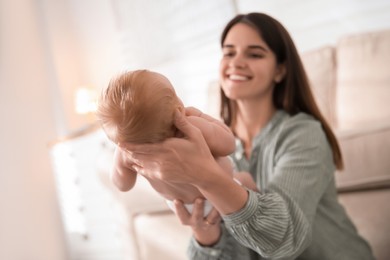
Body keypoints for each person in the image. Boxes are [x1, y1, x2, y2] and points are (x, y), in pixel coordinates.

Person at [112, 13, 375, 259]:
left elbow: (285, 239)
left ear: (280, 70)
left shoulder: (303, 134)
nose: (236, 62)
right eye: (229, 52)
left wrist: (207, 177)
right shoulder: (203, 140)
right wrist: (206, 237)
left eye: (254, 54)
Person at [96, 69, 257, 215]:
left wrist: (120, 160)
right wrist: (201, 116)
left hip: (185, 207)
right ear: (178, 110)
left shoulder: (127, 153)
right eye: (174, 94)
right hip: (223, 188)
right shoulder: (191, 127)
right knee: (248, 179)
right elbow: (228, 145)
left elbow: (123, 185)